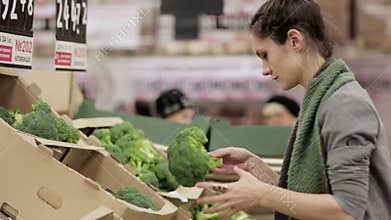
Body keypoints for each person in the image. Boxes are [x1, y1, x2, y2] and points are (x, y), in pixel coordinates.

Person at [196, 0, 391, 220]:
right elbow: (301, 196)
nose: (265, 70)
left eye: (265, 55)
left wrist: (262, 195)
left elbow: (346, 211)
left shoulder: (345, 105)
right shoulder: (320, 99)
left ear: (294, 41)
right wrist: (254, 165)